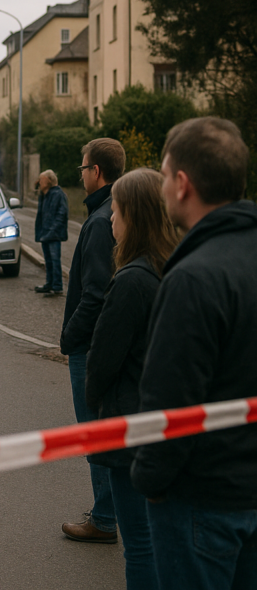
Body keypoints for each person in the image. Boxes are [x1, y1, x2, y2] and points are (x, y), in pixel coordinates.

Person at [130, 118, 257, 589]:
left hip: (200, 502)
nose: (163, 186)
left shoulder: (193, 279)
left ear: (182, 185)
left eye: (164, 175)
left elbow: (170, 400)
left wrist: (149, 480)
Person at [85, 168, 179, 590]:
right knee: (159, 540)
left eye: (117, 211)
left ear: (134, 217)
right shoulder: (171, 268)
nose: (110, 220)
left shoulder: (131, 281)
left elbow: (103, 359)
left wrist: (95, 404)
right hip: (162, 423)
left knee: (139, 543)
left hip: (130, 424)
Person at [60, 137, 125, 543]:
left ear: (96, 171)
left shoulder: (101, 220)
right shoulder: (112, 212)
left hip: (90, 348)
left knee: (96, 435)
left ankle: (104, 519)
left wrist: (70, 337)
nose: (80, 174)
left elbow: (96, 293)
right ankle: (107, 513)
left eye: (83, 168)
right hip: (100, 345)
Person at [34, 169, 69, 295]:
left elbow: (62, 214)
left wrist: (53, 230)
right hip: (45, 233)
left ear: (49, 180)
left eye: (42, 179)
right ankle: (50, 283)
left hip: (54, 234)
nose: (39, 182)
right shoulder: (44, 195)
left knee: (55, 260)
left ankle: (57, 286)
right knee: (48, 260)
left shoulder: (58, 195)